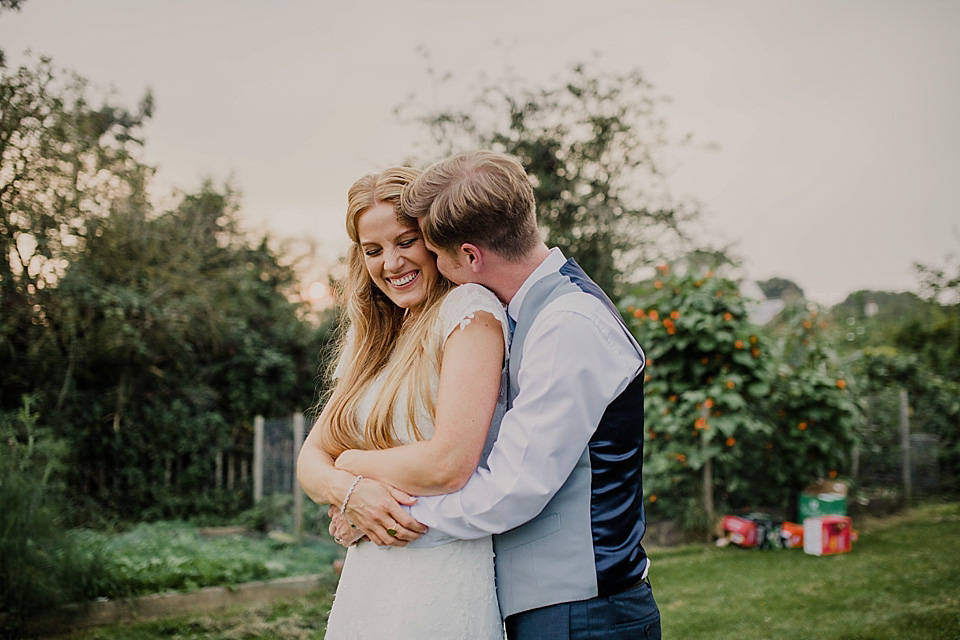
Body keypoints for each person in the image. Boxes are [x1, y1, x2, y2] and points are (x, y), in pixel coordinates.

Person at [332, 150, 660, 639]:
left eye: (433, 251)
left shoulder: (566, 324)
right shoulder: (533, 313)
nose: (436, 267)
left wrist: (383, 513)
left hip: (584, 613)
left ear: (469, 256)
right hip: (555, 607)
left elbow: (510, 490)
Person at [296, 166, 510, 639]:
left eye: (404, 242)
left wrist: (351, 466)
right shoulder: (374, 337)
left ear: (434, 238)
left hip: (438, 568)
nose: (391, 263)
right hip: (370, 574)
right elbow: (310, 462)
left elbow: (449, 464)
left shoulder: (467, 311)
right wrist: (349, 494)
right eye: (373, 251)